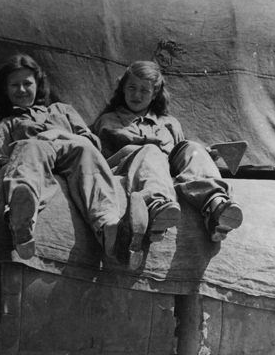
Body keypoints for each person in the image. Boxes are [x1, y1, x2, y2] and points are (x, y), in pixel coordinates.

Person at [0, 54, 147, 269]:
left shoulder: (61, 110)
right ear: (5, 90)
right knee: (27, 147)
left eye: (27, 83)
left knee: (85, 149)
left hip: (71, 150)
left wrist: (56, 134)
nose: (21, 90)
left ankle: (110, 228)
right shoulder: (7, 124)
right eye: (14, 85)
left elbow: (90, 140)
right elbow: (3, 159)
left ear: (38, 85)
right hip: (34, 154)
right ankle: (22, 221)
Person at [94, 60, 243, 243]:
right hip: (133, 172)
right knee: (151, 151)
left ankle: (216, 205)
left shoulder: (169, 123)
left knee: (192, 147)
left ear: (155, 94)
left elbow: (178, 158)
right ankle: (157, 207)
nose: (137, 95)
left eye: (145, 90)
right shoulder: (108, 122)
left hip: (167, 173)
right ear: (123, 88)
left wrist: (203, 156)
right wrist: (130, 151)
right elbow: (99, 166)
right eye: (131, 87)